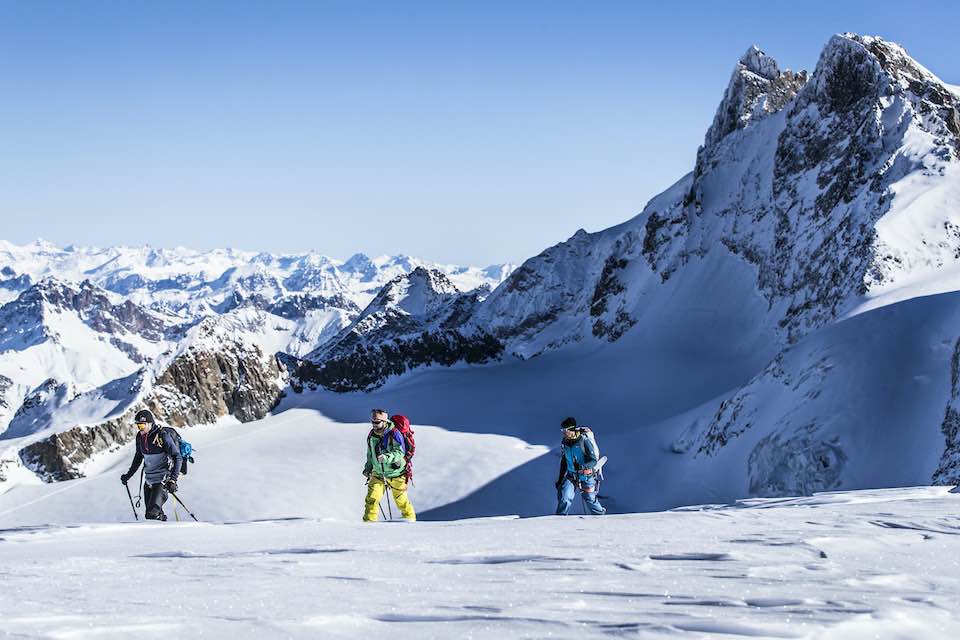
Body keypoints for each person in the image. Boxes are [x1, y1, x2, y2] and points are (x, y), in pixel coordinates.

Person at [120, 409, 183, 521]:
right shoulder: (140, 437)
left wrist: (173, 480)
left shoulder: (162, 436)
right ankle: (165, 529)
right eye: (138, 426)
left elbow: (177, 457)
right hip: (149, 481)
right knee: (152, 516)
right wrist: (128, 475)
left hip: (162, 481)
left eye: (142, 425)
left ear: (150, 423)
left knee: (152, 514)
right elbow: (138, 457)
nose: (140, 428)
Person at [362, 409, 416, 522]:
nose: (374, 424)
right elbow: (370, 454)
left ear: (384, 421)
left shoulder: (394, 433)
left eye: (377, 422)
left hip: (397, 473)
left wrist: (387, 457)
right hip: (378, 474)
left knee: (401, 501)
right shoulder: (372, 435)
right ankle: (368, 525)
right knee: (372, 499)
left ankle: (410, 521)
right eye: (372, 421)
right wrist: (368, 468)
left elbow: (400, 452)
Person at [555, 416, 605, 516]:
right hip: (571, 476)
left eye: (565, 430)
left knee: (590, 499)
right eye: (562, 430)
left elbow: (593, 460)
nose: (563, 433)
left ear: (571, 430)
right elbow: (564, 462)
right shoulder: (565, 442)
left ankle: (600, 517)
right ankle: (559, 520)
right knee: (565, 498)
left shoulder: (584, 441)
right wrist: (560, 480)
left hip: (586, 476)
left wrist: (584, 466)